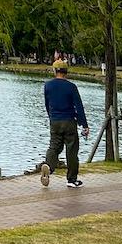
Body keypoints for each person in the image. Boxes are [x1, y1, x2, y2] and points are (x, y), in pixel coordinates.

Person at [38, 60, 89, 189]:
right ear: (66, 72)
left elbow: (47, 103)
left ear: (54, 71)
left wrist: (52, 117)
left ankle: (48, 166)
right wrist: (84, 124)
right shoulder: (71, 87)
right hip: (69, 121)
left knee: (54, 146)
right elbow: (79, 106)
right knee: (71, 150)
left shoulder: (48, 86)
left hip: (55, 120)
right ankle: (71, 179)